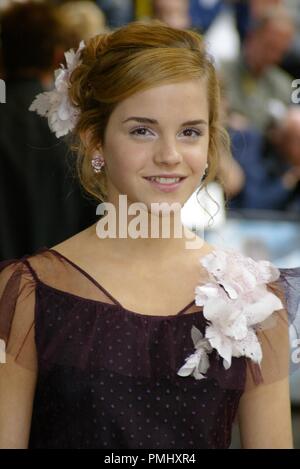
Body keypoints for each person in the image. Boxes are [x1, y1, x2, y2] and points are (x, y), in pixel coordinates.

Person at [0, 20, 298, 449]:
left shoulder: (252, 300)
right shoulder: (31, 293)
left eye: (190, 132)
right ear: (94, 141)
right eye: (142, 130)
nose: (170, 155)